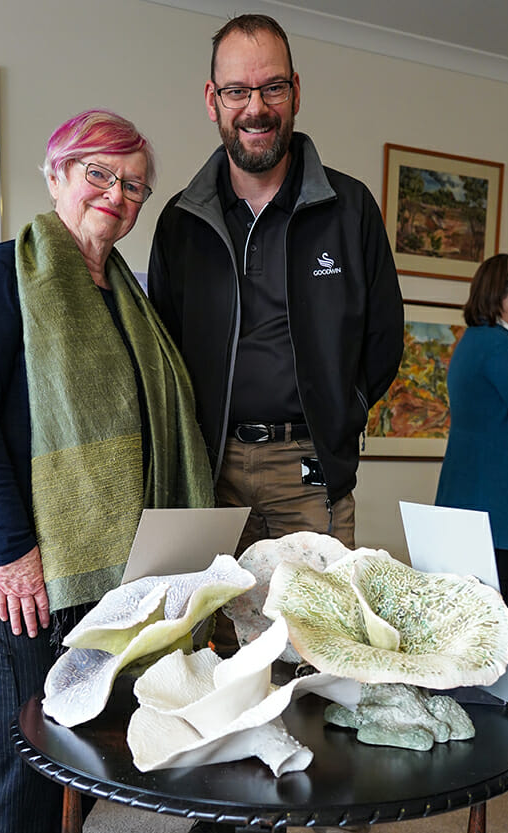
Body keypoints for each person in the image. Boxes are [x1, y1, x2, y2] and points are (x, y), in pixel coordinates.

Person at [0, 109, 213, 833]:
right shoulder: (7, 271)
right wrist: (15, 554)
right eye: (99, 173)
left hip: (98, 561)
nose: (116, 194)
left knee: (83, 731)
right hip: (7, 547)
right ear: (57, 171)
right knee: (17, 739)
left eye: (134, 185)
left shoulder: (130, 300)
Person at [148, 14, 404, 565]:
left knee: (316, 642)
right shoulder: (180, 221)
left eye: (273, 88)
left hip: (310, 471)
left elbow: (384, 336)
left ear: (295, 92)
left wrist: (342, 415)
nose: (256, 108)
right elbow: (161, 348)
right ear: (212, 99)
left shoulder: (350, 207)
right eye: (238, 90)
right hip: (210, 472)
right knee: (211, 641)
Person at [436, 252, 508, 708]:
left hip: (477, 484)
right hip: (498, 490)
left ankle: (496, 683)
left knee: (488, 593)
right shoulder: (499, 345)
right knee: (502, 596)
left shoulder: (477, 340)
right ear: (498, 292)